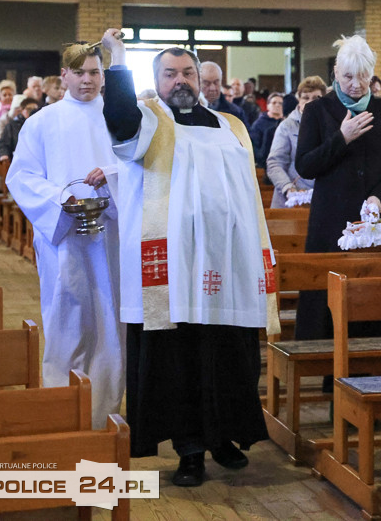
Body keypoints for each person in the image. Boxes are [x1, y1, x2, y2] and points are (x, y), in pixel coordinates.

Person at [100, 30, 275, 487]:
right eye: (170, 73)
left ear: (201, 78)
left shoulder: (231, 125)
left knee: (227, 356)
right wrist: (118, 61)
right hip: (173, 270)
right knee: (179, 360)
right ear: (156, 80)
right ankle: (190, 449)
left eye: (188, 72)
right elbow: (118, 122)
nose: (181, 81)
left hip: (225, 267)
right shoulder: (149, 120)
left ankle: (224, 437)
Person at [7, 42, 124, 430]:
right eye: (80, 73)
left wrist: (111, 174)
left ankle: (105, 410)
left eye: (95, 72)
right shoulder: (42, 121)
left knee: (111, 318)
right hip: (63, 236)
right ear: (65, 76)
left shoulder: (119, 118)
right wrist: (62, 199)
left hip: (110, 235)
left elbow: (138, 167)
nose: (87, 80)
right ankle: (61, 408)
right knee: (65, 315)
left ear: (103, 76)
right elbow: (21, 175)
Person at [293, 35, 381, 340]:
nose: (356, 85)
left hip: (375, 221)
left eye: (363, 77)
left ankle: (373, 370)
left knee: (373, 301)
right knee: (327, 309)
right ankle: (327, 372)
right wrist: (340, 138)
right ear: (335, 73)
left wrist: (380, 197)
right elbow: (305, 165)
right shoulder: (318, 111)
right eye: (348, 77)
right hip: (331, 221)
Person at [265, 76, 325, 209]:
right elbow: (275, 162)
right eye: (305, 98)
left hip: (321, 199)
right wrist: (288, 187)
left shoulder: (330, 126)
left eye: (315, 98)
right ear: (299, 99)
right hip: (290, 198)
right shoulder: (286, 126)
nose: (310, 102)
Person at [0, 96, 38, 160]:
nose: (32, 112)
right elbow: (4, 144)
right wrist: (4, 155)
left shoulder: (40, 125)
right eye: (29, 109)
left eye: (35, 110)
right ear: (22, 111)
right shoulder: (12, 126)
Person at [248, 91, 284, 167]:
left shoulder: (288, 123)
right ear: (268, 106)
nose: (277, 105)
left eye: (280, 103)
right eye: (274, 103)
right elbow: (253, 146)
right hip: (265, 164)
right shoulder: (258, 124)